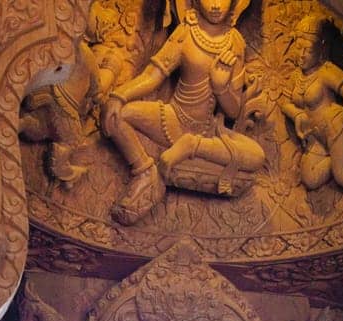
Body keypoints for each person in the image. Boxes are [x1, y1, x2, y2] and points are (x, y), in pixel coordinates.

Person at [103, 0, 265, 225]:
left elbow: (233, 110)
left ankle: (192, 146)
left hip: (210, 133)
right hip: (172, 118)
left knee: (257, 155)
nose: (216, 5)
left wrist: (221, 87)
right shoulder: (186, 32)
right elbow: (153, 75)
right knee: (117, 116)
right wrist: (119, 96)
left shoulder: (235, 42)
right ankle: (144, 170)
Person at [279, 18, 343, 203]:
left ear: (321, 50)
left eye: (308, 50)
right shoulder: (296, 76)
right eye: (298, 48)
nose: (301, 55)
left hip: (335, 125)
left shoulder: (325, 70)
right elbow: (285, 103)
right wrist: (297, 114)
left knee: (342, 175)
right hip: (315, 135)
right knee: (310, 178)